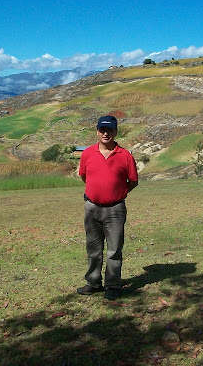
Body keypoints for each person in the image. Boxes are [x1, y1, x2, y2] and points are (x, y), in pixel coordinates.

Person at [77, 115, 139, 300]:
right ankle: (93, 283)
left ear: (116, 132)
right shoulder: (87, 153)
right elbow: (84, 176)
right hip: (92, 208)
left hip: (115, 210)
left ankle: (113, 285)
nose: (106, 133)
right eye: (102, 130)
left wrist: (117, 193)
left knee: (114, 250)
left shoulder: (125, 155)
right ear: (97, 131)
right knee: (93, 248)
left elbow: (133, 181)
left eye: (110, 130)